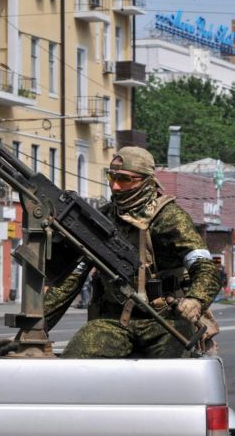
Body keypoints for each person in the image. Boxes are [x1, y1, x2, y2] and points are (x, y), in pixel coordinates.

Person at [44, 146, 221, 358]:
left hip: (165, 320)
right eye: (112, 177)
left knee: (176, 374)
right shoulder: (103, 218)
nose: (116, 187)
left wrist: (196, 300)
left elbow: (205, 268)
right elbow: (72, 277)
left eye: (125, 180)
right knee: (76, 361)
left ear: (147, 180)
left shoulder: (169, 217)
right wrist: (36, 328)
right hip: (114, 320)